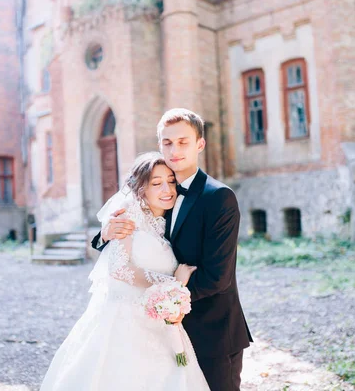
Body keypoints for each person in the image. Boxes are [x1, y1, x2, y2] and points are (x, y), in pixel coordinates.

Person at [92, 108, 253, 391]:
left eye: (183, 141)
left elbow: (218, 276)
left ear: (199, 144)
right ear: (159, 145)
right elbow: (128, 228)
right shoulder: (158, 190)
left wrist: (172, 298)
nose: (174, 149)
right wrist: (104, 234)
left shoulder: (219, 198)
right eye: (167, 142)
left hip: (211, 330)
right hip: (161, 332)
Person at [40, 152, 210, 391]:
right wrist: (174, 282)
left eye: (171, 181)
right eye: (156, 183)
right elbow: (119, 269)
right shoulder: (126, 216)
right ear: (141, 188)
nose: (167, 189)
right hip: (124, 320)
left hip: (160, 321)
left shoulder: (165, 217)